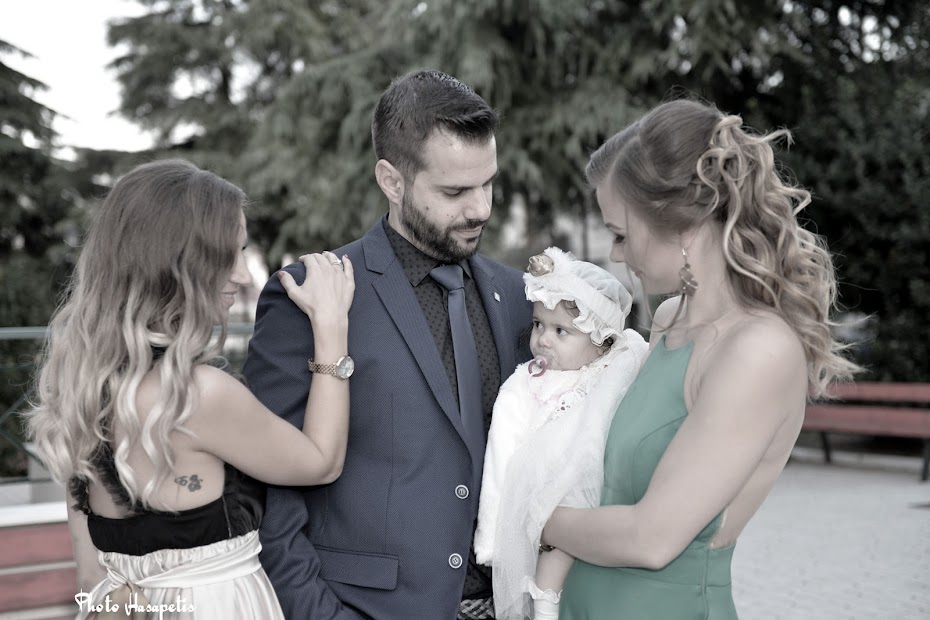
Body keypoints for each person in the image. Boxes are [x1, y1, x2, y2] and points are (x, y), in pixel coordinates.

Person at [540, 99, 859, 618]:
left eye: (620, 234)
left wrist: (527, 514)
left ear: (682, 226)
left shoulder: (759, 349)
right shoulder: (669, 320)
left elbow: (652, 538)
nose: (616, 254)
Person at [243, 69, 533, 619]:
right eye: (454, 191)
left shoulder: (520, 297)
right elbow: (268, 494)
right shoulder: (309, 295)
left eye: (488, 183)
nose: (481, 209)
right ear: (392, 181)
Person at [25, 159, 355, 619]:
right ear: (177, 266)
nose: (243, 275)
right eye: (227, 256)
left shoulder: (78, 390)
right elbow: (322, 462)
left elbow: (89, 577)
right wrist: (332, 326)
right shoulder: (198, 395)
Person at [473, 247, 648, 620]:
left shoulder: (610, 373)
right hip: (544, 496)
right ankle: (545, 609)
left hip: (601, 494)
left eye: (560, 331)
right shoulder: (526, 385)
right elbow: (501, 453)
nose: (543, 339)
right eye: (538, 325)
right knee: (553, 561)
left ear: (600, 341)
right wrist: (493, 537)